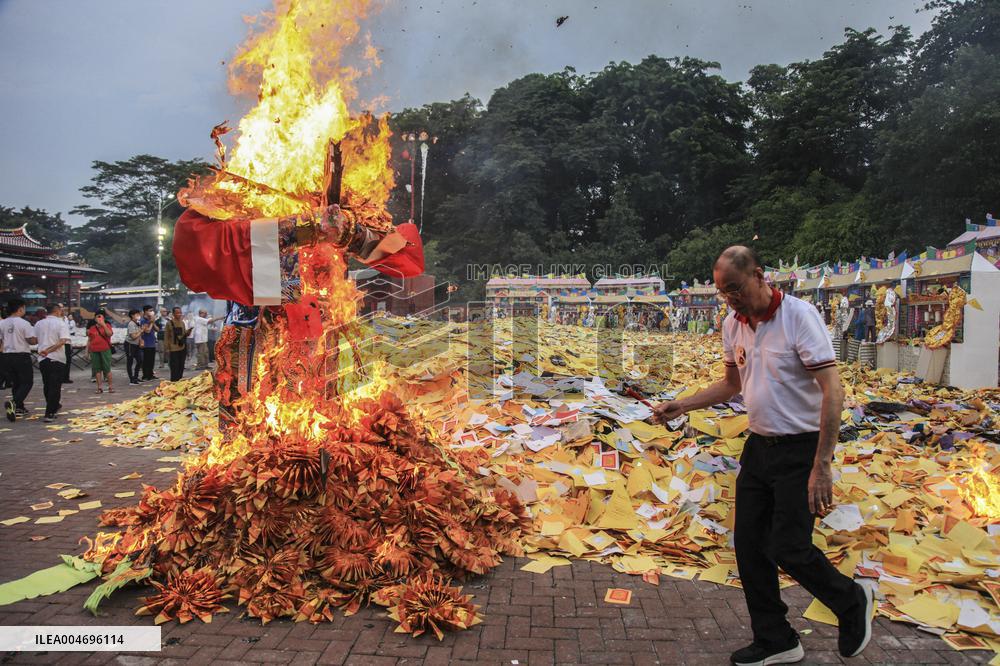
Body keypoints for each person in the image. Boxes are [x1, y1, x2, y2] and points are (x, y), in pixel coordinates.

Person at [652, 246, 872, 665]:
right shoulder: (733, 325)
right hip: (759, 446)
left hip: (801, 448)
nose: (730, 299)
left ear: (759, 274)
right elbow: (731, 385)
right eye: (722, 292)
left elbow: (833, 390)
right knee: (750, 546)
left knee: (788, 545)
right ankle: (776, 639)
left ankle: (850, 600)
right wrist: (685, 404)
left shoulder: (798, 317)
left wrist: (822, 465)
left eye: (734, 288)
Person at [2, 298, 37, 421]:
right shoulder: (24, 323)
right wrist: (37, 338)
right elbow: (31, 340)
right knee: (27, 382)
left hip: (6, 355)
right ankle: (14, 402)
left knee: (16, 382)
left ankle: (19, 408)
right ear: (20, 308)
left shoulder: (2, 323)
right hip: (21, 355)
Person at [34, 303, 71, 422]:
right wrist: (49, 350)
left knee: (47, 384)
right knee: (55, 386)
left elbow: (34, 339)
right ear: (57, 311)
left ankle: (53, 406)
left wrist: (44, 350)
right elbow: (62, 341)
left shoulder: (39, 323)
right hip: (57, 357)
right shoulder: (61, 323)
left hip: (43, 359)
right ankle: (50, 412)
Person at [86, 312, 114, 393]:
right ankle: (99, 387)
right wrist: (87, 351)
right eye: (97, 317)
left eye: (100, 317)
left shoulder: (107, 325)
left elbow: (109, 334)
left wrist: (103, 325)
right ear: (95, 319)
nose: (99, 319)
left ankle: (110, 387)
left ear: (104, 318)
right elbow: (89, 340)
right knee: (97, 370)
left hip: (105, 350)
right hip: (94, 350)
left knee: (107, 369)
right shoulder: (92, 328)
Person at [164, 306, 192, 382]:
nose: (179, 314)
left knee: (181, 365)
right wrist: (166, 348)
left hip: (182, 347)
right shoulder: (169, 324)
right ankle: (174, 381)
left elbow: (183, 334)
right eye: (177, 313)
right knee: (174, 366)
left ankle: (179, 380)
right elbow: (166, 336)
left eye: (180, 313)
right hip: (173, 348)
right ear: (173, 314)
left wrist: (188, 332)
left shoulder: (182, 323)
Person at [139, 305, 159, 381]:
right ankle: (145, 375)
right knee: (146, 360)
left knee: (151, 360)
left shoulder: (151, 320)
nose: (152, 312)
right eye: (150, 310)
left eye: (152, 310)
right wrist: (151, 323)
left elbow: (157, 329)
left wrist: (153, 322)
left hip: (152, 343)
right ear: (145, 311)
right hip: (145, 343)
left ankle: (151, 374)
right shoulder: (142, 320)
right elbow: (147, 331)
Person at [125, 309, 143, 385]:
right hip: (130, 344)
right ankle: (131, 379)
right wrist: (141, 331)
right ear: (132, 315)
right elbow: (133, 336)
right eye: (137, 314)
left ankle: (136, 377)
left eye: (139, 314)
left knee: (140, 360)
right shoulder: (131, 324)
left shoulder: (137, 323)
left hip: (136, 345)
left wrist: (141, 341)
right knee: (130, 361)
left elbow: (139, 335)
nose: (138, 316)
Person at [62, 307, 76, 383]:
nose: (64, 311)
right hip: (58, 342)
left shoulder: (66, 319)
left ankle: (65, 377)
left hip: (67, 342)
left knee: (67, 360)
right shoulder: (56, 320)